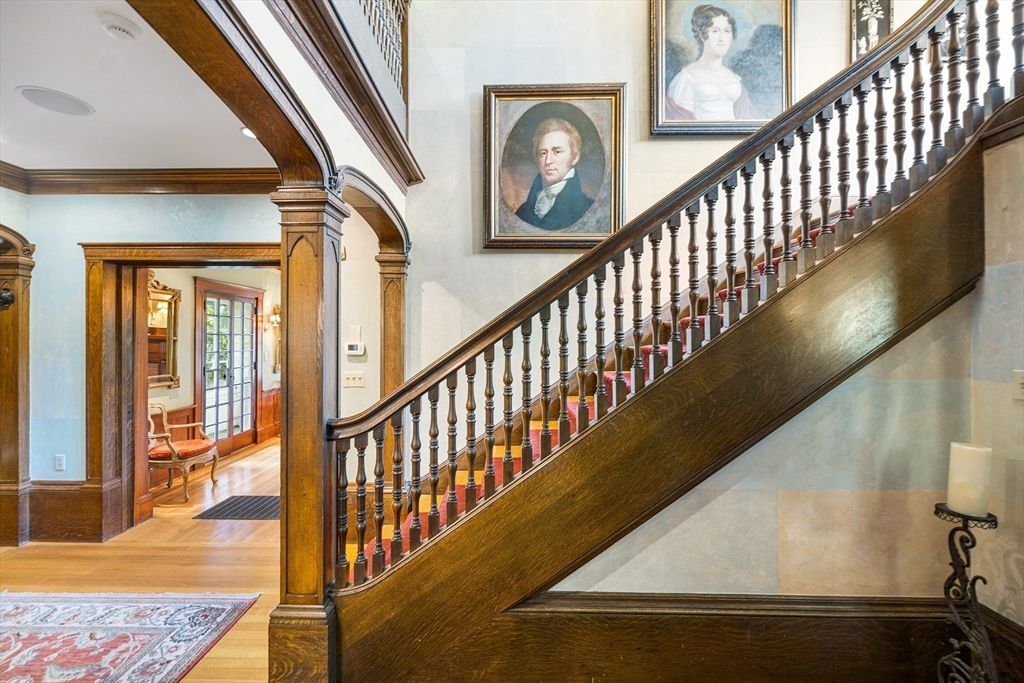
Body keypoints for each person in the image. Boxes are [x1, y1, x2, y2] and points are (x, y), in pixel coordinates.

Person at [666, 4, 753, 121]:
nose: (722, 38)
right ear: (702, 35)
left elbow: (745, 119)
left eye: (727, 31)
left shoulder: (735, 78)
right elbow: (679, 121)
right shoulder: (687, 77)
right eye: (715, 31)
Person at [515, 118, 594, 230]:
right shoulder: (522, 212)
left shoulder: (588, 209)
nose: (548, 161)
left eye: (557, 152)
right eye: (543, 153)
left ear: (575, 157)